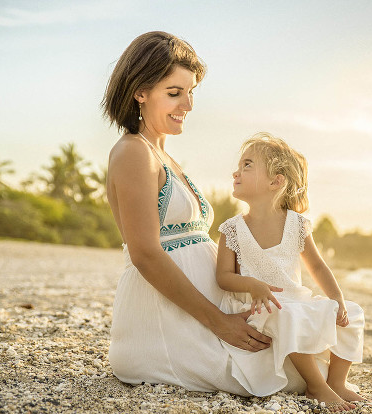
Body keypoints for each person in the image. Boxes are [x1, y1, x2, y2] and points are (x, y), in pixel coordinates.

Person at [102, 31, 272, 394]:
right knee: (282, 368)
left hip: (201, 313)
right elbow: (145, 254)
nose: (188, 105)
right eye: (174, 93)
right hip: (167, 322)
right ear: (140, 92)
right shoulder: (133, 152)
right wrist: (220, 323)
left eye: (191, 92)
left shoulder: (162, 154)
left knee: (307, 336)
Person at [216, 133, 365, 412]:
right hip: (261, 308)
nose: (236, 172)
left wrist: (338, 299)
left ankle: (337, 381)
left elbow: (318, 266)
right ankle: (315, 386)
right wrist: (252, 284)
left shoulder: (296, 225)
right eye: (239, 165)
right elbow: (223, 277)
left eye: (248, 165)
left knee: (353, 314)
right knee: (285, 314)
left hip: (297, 300)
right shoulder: (232, 229)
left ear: (276, 181)